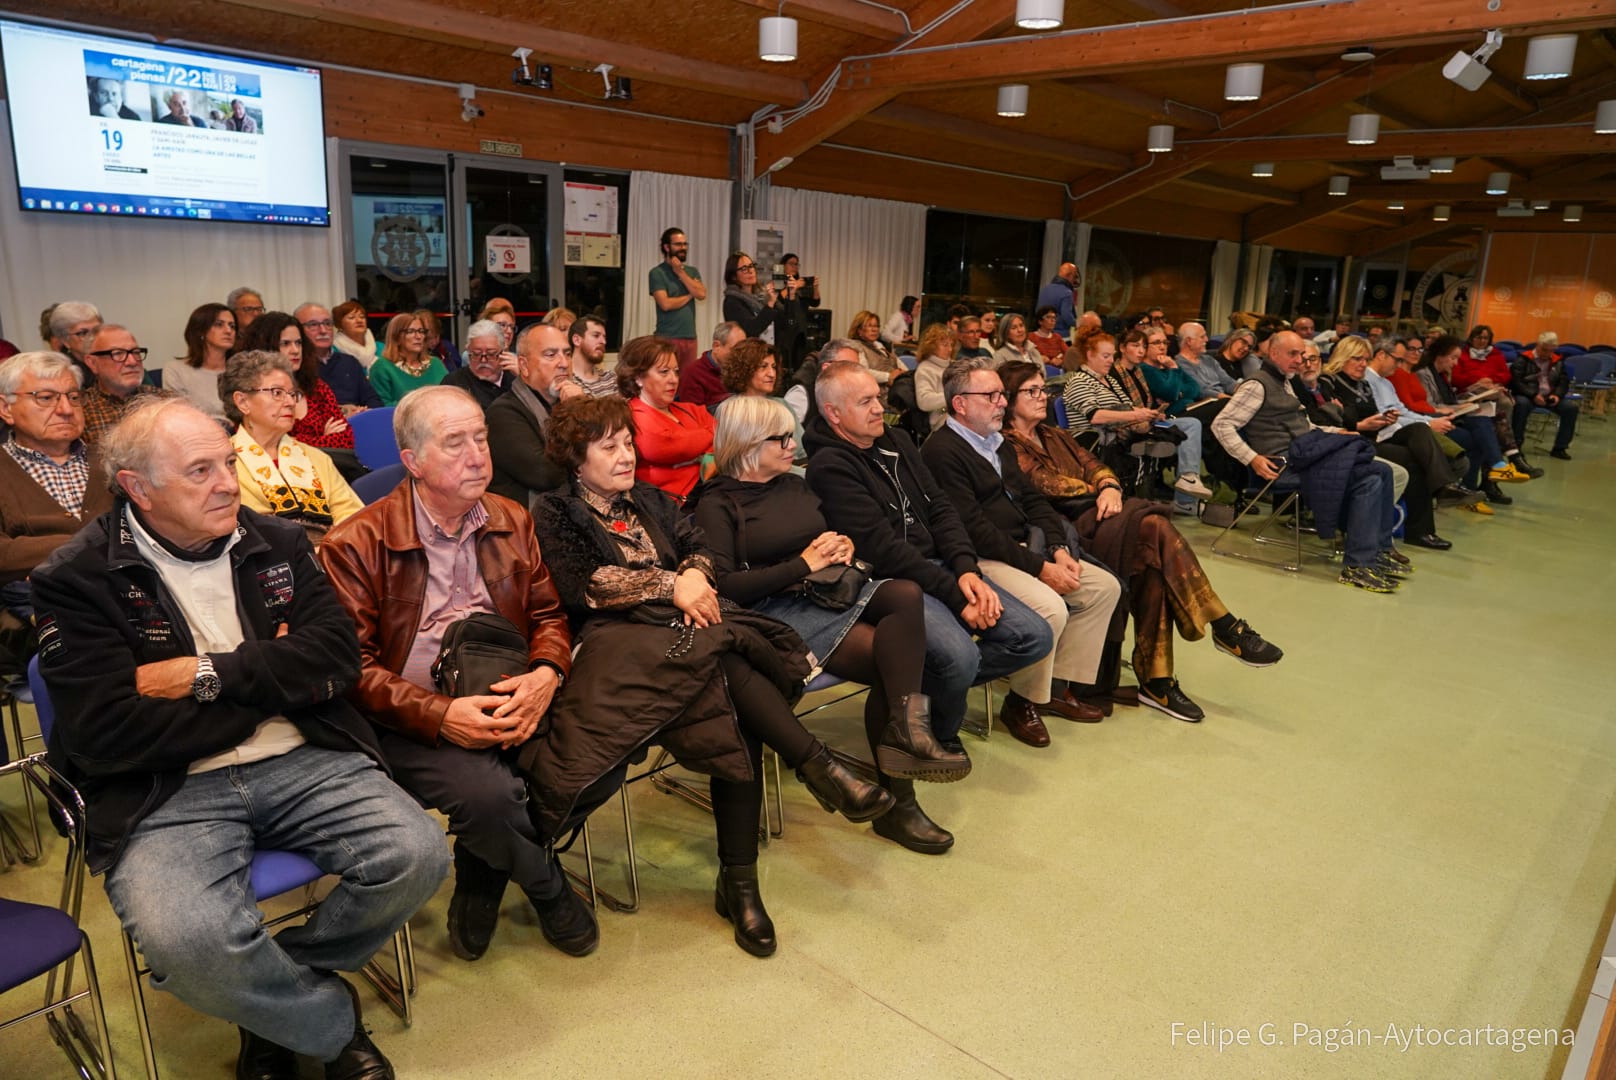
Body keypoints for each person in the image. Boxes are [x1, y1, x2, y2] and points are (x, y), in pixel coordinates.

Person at [33, 394, 447, 1080]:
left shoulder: (276, 541)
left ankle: (269, 1003)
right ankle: (322, 1022)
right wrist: (266, 683)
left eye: (227, 462)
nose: (228, 483)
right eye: (200, 471)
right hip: (163, 789)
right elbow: (107, 731)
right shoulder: (76, 579)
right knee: (189, 944)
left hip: (302, 754)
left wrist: (205, 675)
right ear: (138, 487)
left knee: (417, 854)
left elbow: (336, 662)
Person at [532, 395, 891, 956]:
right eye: (609, 448)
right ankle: (810, 773)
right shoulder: (556, 512)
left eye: (628, 443)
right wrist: (671, 584)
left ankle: (742, 878)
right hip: (615, 642)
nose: (626, 455)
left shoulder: (649, 497)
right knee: (728, 663)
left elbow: (697, 546)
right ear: (576, 459)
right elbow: (587, 583)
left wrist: (694, 578)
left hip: (686, 631)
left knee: (730, 696)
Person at [318, 386, 606, 962]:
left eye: (481, 437)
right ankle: (547, 887)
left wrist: (546, 674)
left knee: (600, 754)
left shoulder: (510, 517)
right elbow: (351, 670)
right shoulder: (354, 543)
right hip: (407, 718)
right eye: (455, 443)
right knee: (490, 794)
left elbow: (548, 615)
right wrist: (443, 715)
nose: (478, 455)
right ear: (413, 461)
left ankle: (481, 872)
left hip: (509, 687)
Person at [694, 396, 969, 853]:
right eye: (781, 439)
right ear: (747, 445)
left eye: (792, 436)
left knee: (905, 594)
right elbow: (726, 586)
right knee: (892, 660)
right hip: (771, 613)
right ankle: (901, 799)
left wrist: (842, 546)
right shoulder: (717, 503)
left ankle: (906, 735)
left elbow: (824, 539)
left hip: (821, 594)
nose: (793, 445)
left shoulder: (793, 484)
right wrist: (802, 564)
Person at [999, 361, 1282, 721]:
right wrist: (1100, 491)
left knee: (1153, 561)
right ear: (1009, 399)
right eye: (1032, 391)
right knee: (1152, 528)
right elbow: (1045, 485)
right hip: (1061, 528)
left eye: (1043, 389)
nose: (1043, 397)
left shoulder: (1055, 435)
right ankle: (1215, 632)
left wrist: (1109, 486)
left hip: (1098, 514)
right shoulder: (1006, 444)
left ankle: (1162, 678)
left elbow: (1095, 464)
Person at [804, 362, 1054, 748]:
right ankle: (938, 736)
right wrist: (957, 595)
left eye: (878, 397)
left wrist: (966, 569)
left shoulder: (898, 439)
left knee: (1033, 636)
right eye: (866, 402)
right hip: (892, 583)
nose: (879, 408)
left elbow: (941, 508)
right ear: (833, 413)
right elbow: (884, 551)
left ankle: (918, 694)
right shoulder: (829, 466)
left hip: (941, 566)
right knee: (960, 659)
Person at [920, 358, 1123, 739]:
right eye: (991, 395)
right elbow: (974, 530)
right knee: (1051, 607)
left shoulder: (997, 443)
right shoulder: (942, 451)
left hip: (1024, 548)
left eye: (1002, 394)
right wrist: (1041, 568)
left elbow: (1033, 501)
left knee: (1103, 588)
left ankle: (1054, 690)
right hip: (981, 557)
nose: (1002, 402)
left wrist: (1059, 549)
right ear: (960, 404)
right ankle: (1022, 701)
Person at [1211, 331, 1409, 593]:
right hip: (1283, 466)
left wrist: (1338, 432)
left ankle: (1379, 550)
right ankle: (1357, 565)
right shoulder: (1257, 385)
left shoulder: (1284, 382)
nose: (1300, 360)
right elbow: (1221, 424)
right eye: (1293, 354)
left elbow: (1305, 427)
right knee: (1369, 478)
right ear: (1274, 354)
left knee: (1381, 470)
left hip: (1304, 456)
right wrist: (1253, 459)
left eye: (1301, 354)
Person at [1321, 337, 1458, 550]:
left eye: (1365, 359)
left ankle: (1442, 490)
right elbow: (1335, 420)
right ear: (1343, 357)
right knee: (1415, 461)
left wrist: (1383, 419)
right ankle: (1422, 526)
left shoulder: (1364, 384)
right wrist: (1360, 424)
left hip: (1373, 436)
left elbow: (1369, 413)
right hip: (1351, 441)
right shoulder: (1330, 382)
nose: (1363, 364)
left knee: (1420, 430)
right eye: (1357, 359)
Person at [0, 352, 116, 604]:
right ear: (6, 408)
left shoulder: (114, 460)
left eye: (73, 397)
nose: (66, 410)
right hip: (34, 607)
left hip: (124, 595)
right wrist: (96, 543)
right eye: (45, 398)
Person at [221, 350, 362, 541]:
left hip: (330, 552)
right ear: (243, 402)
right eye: (277, 393)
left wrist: (329, 550)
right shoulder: (224, 464)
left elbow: (352, 516)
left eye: (293, 394)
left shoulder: (317, 458)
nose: (290, 402)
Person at [1109, 328, 1213, 512]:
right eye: (1136, 346)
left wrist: (1154, 411)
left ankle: (1188, 482)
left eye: (1143, 346)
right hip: (1131, 424)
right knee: (1200, 423)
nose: (1141, 350)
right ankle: (1186, 500)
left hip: (1151, 418)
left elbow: (1194, 389)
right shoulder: (1120, 372)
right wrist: (1173, 378)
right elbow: (1169, 393)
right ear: (1123, 348)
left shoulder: (1137, 372)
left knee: (1194, 424)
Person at [237, 312, 356, 470]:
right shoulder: (254, 392)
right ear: (264, 347)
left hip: (328, 470)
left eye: (298, 343)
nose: (295, 350)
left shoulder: (317, 387)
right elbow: (270, 444)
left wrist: (301, 442)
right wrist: (324, 440)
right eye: (285, 344)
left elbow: (345, 440)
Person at [1414, 336, 1513, 507]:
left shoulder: (1442, 375)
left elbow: (1450, 399)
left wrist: (1471, 394)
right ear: (1440, 355)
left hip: (1451, 416)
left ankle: (1478, 483)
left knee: (1483, 422)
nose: (1455, 363)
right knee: (1478, 436)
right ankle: (1496, 466)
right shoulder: (1424, 374)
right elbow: (1430, 406)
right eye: (1453, 358)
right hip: (1435, 420)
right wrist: (1458, 407)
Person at [487, 323, 578, 504]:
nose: (564, 363)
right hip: (527, 517)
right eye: (551, 355)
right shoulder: (503, 413)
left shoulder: (569, 401)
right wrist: (576, 413)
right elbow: (547, 475)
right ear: (523, 365)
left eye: (567, 354)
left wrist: (583, 407)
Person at [617, 335, 715, 502]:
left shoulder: (689, 409)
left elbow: (727, 438)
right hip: (674, 505)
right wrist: (709, 445)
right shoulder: (633, 415)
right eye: (664, 372)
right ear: (638, 378)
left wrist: (697, 454)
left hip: (708, 490)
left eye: (676, 372)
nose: (674, 380)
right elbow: (667, 445)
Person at [1452, 324, 1539, 480]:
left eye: (1485, 338)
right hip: (1468, 391)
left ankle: (1507, 456)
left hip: (1492, 390)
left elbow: (1505, 375)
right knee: (1494, 418)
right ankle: (1513, 455)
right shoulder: (1462, 354)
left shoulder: (1496, 354)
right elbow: (1456, 377)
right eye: (1479, 337)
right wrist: (1478, 381)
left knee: (1504, 404)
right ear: (1472, 338)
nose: (1482, 341)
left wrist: (1491, 381)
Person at [80, 325, 159, 445]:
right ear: (92, 363)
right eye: (117, 354)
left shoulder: (165, 400)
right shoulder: (81, 411)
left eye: (136, 352)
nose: (132, 362)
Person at [297, 303, 382, 415]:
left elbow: (373, 400)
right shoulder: (296, 366)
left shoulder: (349, 362)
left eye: (327, 323)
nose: (323, 330)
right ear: (297, 331)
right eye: (313, 325)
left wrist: (365, 412)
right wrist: (344, 411)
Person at [1510, 331, 1578, 461]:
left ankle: (1560, 448)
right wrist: (1533, 395)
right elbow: (1516, 382)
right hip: (1528, 395)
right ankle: (1516, 445)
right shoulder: (1523, 359)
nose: (1546, 354)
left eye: (1550, 351)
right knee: (1521, 405)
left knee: (1570, 408)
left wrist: (1557, 395)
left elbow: (1563, 382)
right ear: (1538, 345)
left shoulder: (1558, 361)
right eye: (1544, 350)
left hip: (1549, 396)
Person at [163, 303, 235, 421]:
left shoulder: (241, 370)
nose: (228, 331)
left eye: (232, 326)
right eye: (219, 324)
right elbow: (179, 415)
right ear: (200, 330)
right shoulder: (175, 370)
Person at [649, 227, 707, 370]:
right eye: (678, 244)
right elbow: (665, 304)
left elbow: (701, 294)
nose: (683, 248)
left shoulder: (691, 271)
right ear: (666, 247)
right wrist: (690, 294)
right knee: (666, 378)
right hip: (666, 338)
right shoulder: (657, 273)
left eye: (685, 244)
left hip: (690, 337)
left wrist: (680, 272)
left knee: (687, 380)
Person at [369, 313, 447, 406]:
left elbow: (451, 396)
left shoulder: (436, 364)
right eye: (410, 331)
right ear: (396, 337)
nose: (418, 336)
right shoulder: (382, 367)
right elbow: (381, 406)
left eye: (421, 331)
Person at [443, 319, 514, 412]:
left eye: (491, 354)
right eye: (476, 354)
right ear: (468, 351)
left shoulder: (515, 378)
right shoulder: (454, 383)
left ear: (503, 351)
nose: (483, 360)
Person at [678, 322, 744, 410]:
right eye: (735, 350)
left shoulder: (742, 369)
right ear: (716, 346)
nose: (740, 356)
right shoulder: (694, 374)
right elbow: (691, 414)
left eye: (743, 351)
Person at [721, 251, 781, 343]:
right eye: (744, 269)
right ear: (734, 276)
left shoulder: (761, 296)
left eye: (751, 266)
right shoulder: (732, 302)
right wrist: (770, 304)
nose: (750, 271)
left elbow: (784, 319)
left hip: (768, 348)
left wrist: (791, 295)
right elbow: (751, 329)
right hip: (747, 350)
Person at [912, 323, 957, 431]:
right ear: (931, 347)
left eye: (951, 345)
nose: (950, 349)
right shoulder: (925, 369)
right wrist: (954, 396)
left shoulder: (955, 366)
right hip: (941, 420)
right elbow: (924, 401)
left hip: (956, 415)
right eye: (945, 345)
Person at [568, 315, 616, 397]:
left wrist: (583, 398)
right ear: (577, 340)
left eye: (604, 337)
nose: (603, 342)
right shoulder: (567, 381)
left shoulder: (611, 379)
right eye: (596, 336)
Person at [45, 301, 103, 370]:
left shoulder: (112, 359)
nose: (92, 337)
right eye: (83, 333)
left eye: (96, 330)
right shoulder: (65, 371)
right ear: (65, 341)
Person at [848, 310, 897, 385]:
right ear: (859, 330)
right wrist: (888, 376)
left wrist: (904, 373)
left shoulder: (879, 344)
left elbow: (898, 363)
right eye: (870, 326)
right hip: (874, 388)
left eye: (876, 326)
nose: (874, 329)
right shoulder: (856, 347)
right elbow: (862, 371)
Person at [331, 300, 380, 369]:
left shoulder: (381, 347)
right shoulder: (333, 351)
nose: (359, 320)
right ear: (339, 324)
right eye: (352, 317)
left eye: (362, 317)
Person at [1037, 263, 1079, 337]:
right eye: (1075, 276)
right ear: (1069, 275)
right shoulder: (1067, 293)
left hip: (1043, 333)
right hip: (1060, 336)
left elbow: (1038, 311)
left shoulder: (1045, 289)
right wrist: (1079, 324)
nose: (1075, 280)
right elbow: (1067, 317)